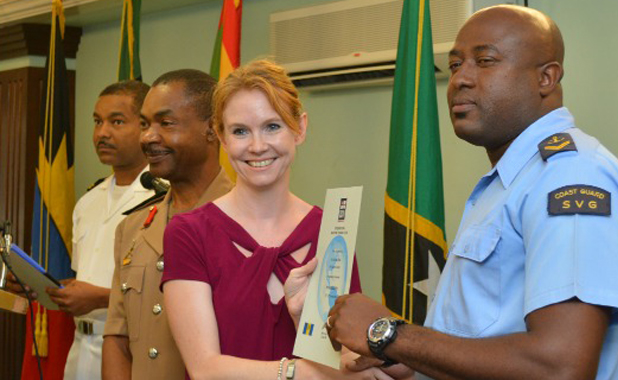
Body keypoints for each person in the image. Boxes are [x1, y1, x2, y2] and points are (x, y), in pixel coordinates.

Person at [325, 5, 618, 380]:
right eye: (455, 65)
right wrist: (414, 363)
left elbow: (560, 366)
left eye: (485, 61)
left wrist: (387, 335)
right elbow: (493, 337)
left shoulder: (569, 178)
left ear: (546, 78)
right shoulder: (513, 181)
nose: (460, 79)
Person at [160, 60, 405, 380]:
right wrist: (299, 372)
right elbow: (205, 368)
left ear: (299, 128)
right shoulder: (189, 233)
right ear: (221, 137)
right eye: (240, 131)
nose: (257, 146)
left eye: (272, 126)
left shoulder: (330, 229)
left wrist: (310, 323)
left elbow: (347, 360)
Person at [4, 81, 153, 380]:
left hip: (133, 352)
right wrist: (44, 287)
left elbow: (167, 293)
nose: (102, 133)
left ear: (146, 127)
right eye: (97, 122)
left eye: (117, 121)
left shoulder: (163, 200)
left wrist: (98, 298)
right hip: (80, 349)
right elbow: (85, 279)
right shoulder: (87, 202)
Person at [102, 69, 233, 380]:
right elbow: (117, 338)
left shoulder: (246, 220)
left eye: (166, 123)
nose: (148, 137)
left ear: (213, 129)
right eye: (145, 124)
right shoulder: (133, 228)